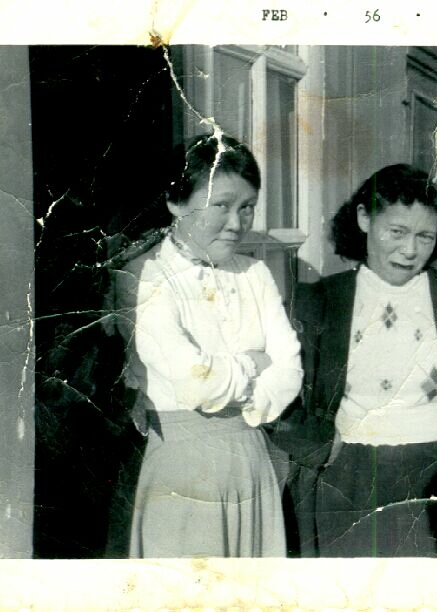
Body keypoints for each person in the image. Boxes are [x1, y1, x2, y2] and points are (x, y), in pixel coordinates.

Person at [271, 164, 437, 557]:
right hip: (348, 478)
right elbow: (270, 389)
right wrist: (313, 443)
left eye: (424, 236)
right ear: (364, 218)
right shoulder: (318, 303)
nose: (410, 250)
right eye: (396, 232)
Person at [113, 134, 302, 557]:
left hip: (252, 463)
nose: (237, 222)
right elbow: (195, 385)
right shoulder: (150, 278)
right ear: (177, 202)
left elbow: (289, 371)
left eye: (247, 207)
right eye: (221, 205)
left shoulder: (255, 275)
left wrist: (231, 378)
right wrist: (255, 364)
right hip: (184, 472)